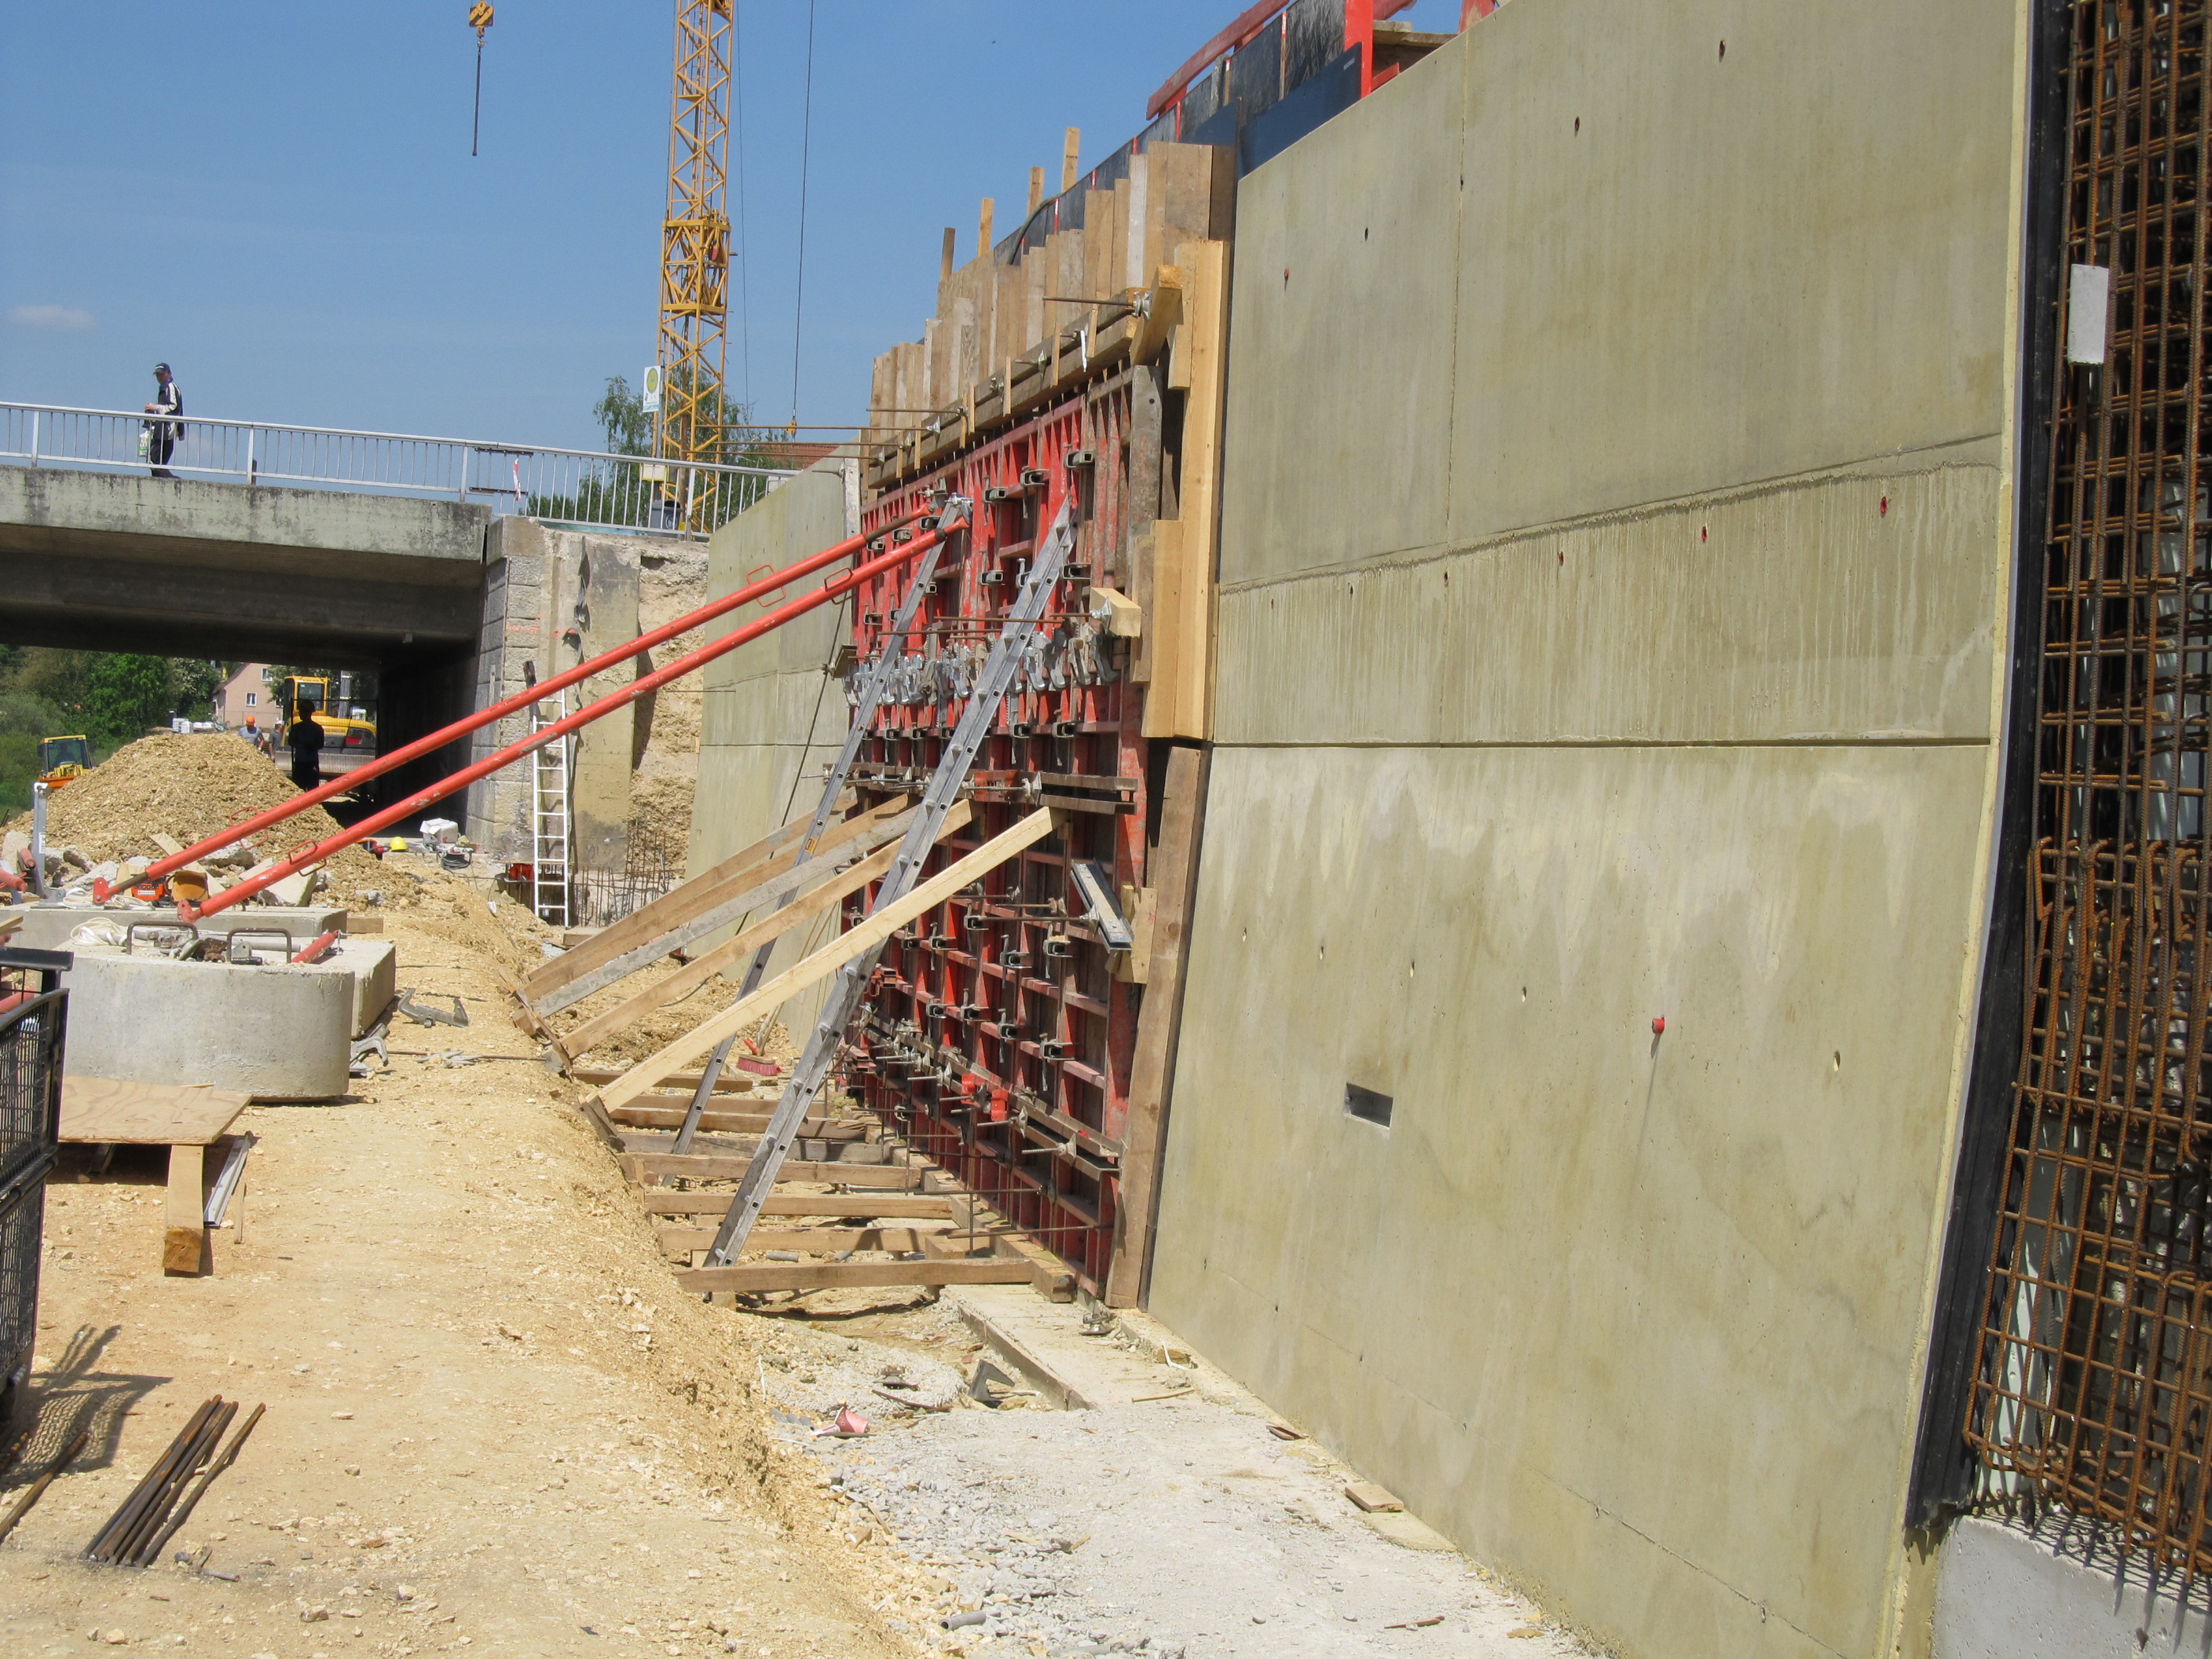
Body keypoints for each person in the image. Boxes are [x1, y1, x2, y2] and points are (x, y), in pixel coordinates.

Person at [142, 363, 182, 478]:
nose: (159, 377)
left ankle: (167, 478)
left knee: (155, 457)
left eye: (162, 374)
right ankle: (161, 478)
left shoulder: (171, 387)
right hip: (163, 427)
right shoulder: (164, 387)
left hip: (167, 427)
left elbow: (174, 407)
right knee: (157, 457)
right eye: (158, 375)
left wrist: (155, 408)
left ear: (169, 374)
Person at [286, 705, 324, 790]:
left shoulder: (315, 728)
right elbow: (291, 742)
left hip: (308, 762)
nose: (300, 715)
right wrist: (304, 746)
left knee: (309, 787)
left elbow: (320, 744)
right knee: (301, 787)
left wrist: (310, 747)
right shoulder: (298, 728)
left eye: (301, 712)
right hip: (302, 761)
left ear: (308, 713)